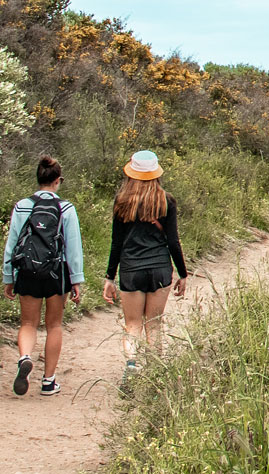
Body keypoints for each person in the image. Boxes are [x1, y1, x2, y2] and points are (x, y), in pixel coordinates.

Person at [1, 156, 83, 396]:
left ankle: (25, 357)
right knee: (54, 325)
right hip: (57, 273)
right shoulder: (66, 208)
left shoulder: (22, 206)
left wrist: (9, 276)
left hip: (27, 270)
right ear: (58, 181)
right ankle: (48, 381)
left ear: (38, 179)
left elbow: (12, 243)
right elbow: (73, 247)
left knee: (28, 323)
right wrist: (76, 279)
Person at [103, 149, 188, 373]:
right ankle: (154, 372)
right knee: (154, 323)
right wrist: (183, 273)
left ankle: (131, 364)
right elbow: (173, 241)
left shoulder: (122, 201)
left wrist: (109, 276)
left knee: (132, 324)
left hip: (131, 268)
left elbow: (116, 242)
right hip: (160, 268)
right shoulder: (166, 201)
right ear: (156, 173)